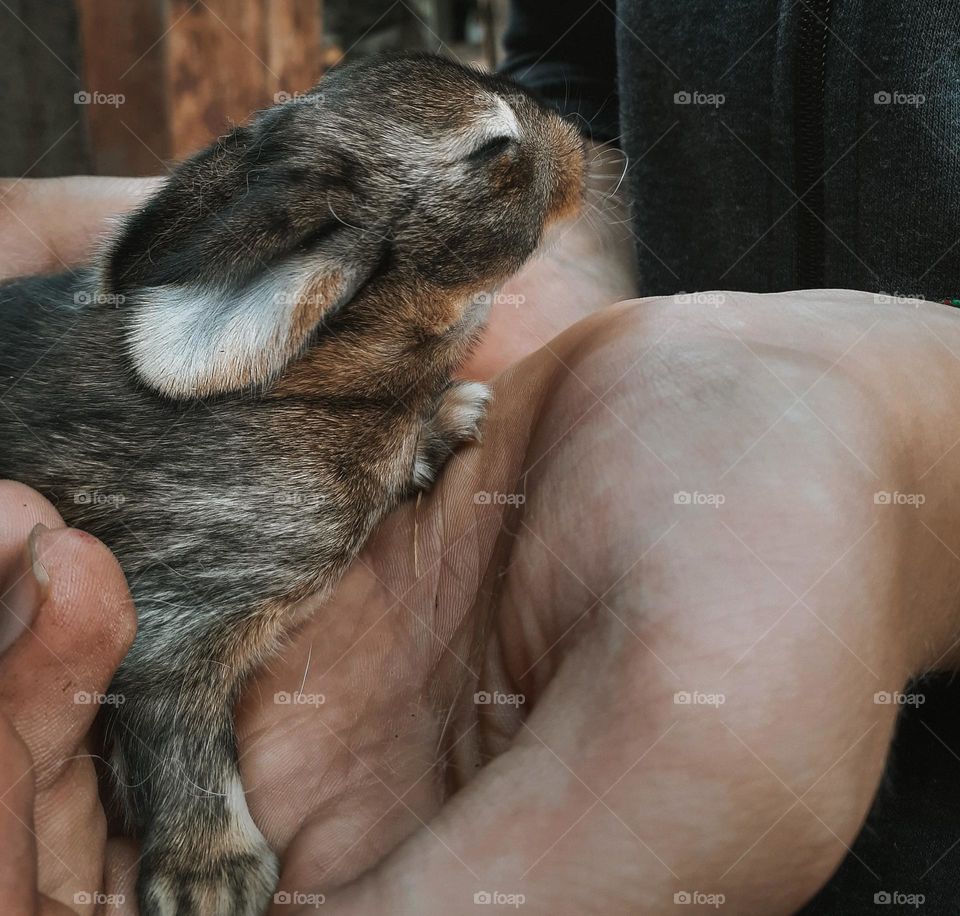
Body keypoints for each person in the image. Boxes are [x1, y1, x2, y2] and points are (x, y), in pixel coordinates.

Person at [3, 3, 960, 914]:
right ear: (313, 287)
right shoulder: (282, 474)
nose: (563, 142)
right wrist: (204, 831)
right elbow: (172, 649)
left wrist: (899, 446)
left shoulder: (340, 393)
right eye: (496, 157)